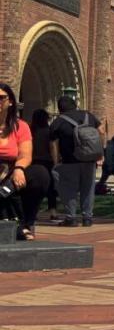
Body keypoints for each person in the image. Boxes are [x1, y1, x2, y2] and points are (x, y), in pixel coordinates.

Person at [0, 84, 51, 241]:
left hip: (11, 170)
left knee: (39, 174)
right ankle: (19, 226)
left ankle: (26, 222)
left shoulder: (20, 126)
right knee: (7, 191)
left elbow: (25, 153)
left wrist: (19, 169)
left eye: (1, 98)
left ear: (11, 102)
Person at [49, 95, 103, 228]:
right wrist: (100, 152)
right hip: (89, 159)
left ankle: (71, 218)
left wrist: (55, 162)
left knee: (68, 189)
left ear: (60, 108)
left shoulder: (58, 122)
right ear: (75, 105)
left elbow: (53, 144)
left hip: (69, 161)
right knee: (88, 188)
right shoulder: (88, 116)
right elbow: (101, 130)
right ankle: (87, 217)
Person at [29, 109, 57, 221]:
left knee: (33, 188)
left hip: (33, 162)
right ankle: (53, 211)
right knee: (51, 188)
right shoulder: (49, 131)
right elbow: (53, 147)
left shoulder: (30, 130)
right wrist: (55, 162)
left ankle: (33, 212)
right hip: (47, 162)